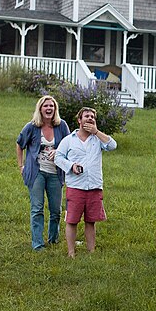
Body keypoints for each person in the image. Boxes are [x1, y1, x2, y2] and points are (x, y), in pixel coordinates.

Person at [54, 107, 117, 257]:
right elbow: (58, 157)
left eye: (92, 117)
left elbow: (113, 145)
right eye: (86, 116)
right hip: (76, 186)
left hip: (94, 186)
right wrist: (71, 166)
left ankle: (92, 251)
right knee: (72, 220)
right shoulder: (69, 140)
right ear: (79, 120)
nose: (90, 119)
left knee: (91, 221)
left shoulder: (97, 139)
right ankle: (71, 252)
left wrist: (96, 131)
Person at [16, 95, 71, 250]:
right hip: (36, 172)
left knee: (56, 210)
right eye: (46, 106)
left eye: (51, 106)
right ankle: (38, 244)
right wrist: (21, 166)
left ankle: (53, 239)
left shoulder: (62, 126)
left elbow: (69, 146)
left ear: (55, 109)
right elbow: (19, 144)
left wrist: (59, 151)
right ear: (40, 109)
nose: (49, 109)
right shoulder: (32, 126)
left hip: (55, 172)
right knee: (37, 208)